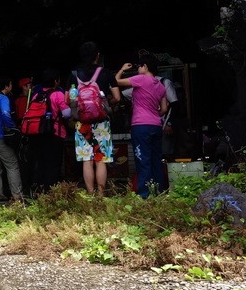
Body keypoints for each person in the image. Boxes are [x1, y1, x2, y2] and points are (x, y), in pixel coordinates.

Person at [68, 41, 121, 195]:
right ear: (97, 56)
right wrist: (104, 103)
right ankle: (101, 194)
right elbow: (117, 97)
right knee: (101, 158)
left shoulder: (74, 75)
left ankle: (90, 194)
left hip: (82, 122)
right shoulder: (106, 73)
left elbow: (68, 100)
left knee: (87, 159)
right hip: (101, 122)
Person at [115, 54, 169, 198]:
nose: (138, 68)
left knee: (142, 160)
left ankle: (144, 195)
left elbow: (117, 81)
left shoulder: (141, 79)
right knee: (156, 160)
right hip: (156, 126)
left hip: (141, 125)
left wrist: (122, 69)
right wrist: (153, 114)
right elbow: (164, 109)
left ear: (145, 66)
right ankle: (159, 191)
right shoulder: (161, 86)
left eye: (139, 66)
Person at [27, 69, 72, 195]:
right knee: (53, 164)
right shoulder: (57, 94)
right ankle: (50, 193)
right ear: (56, 81)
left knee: (40, 162)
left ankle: (37, 192)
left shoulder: (36, 95)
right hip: (54, 134)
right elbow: (66, 114)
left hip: (37, 134)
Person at [0, 75, 24, 203]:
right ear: (6, 86)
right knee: (12, 164)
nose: (11, 87)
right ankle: (17, 195)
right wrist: (12, 127)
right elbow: (6, 114)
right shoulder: (3, 98)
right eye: (10, 84)